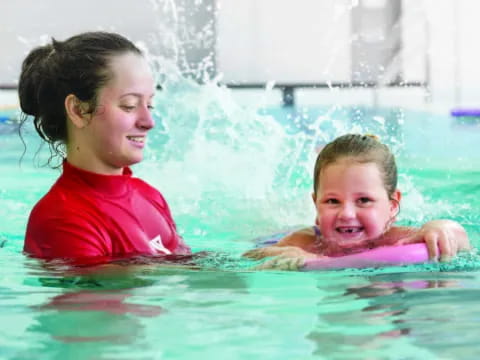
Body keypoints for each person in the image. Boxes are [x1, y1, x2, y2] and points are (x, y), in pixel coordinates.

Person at [19, 31, 190, 265]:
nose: (149, 122)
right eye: (129, 105)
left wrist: (246, 262)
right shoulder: (62, 219)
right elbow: (102, 295)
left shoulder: (150, 196)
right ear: (79, 111)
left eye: (149, 105)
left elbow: (186, 266)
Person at [243, 134, 471, 269]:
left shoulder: (401, 239)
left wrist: (441, 227)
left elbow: (459, 239)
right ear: (316, 204)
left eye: (363, 200)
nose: (347, 214)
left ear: (392, 206)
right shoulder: (305, 241)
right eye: (332, 201)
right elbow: (245, 258)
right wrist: (290, 256)